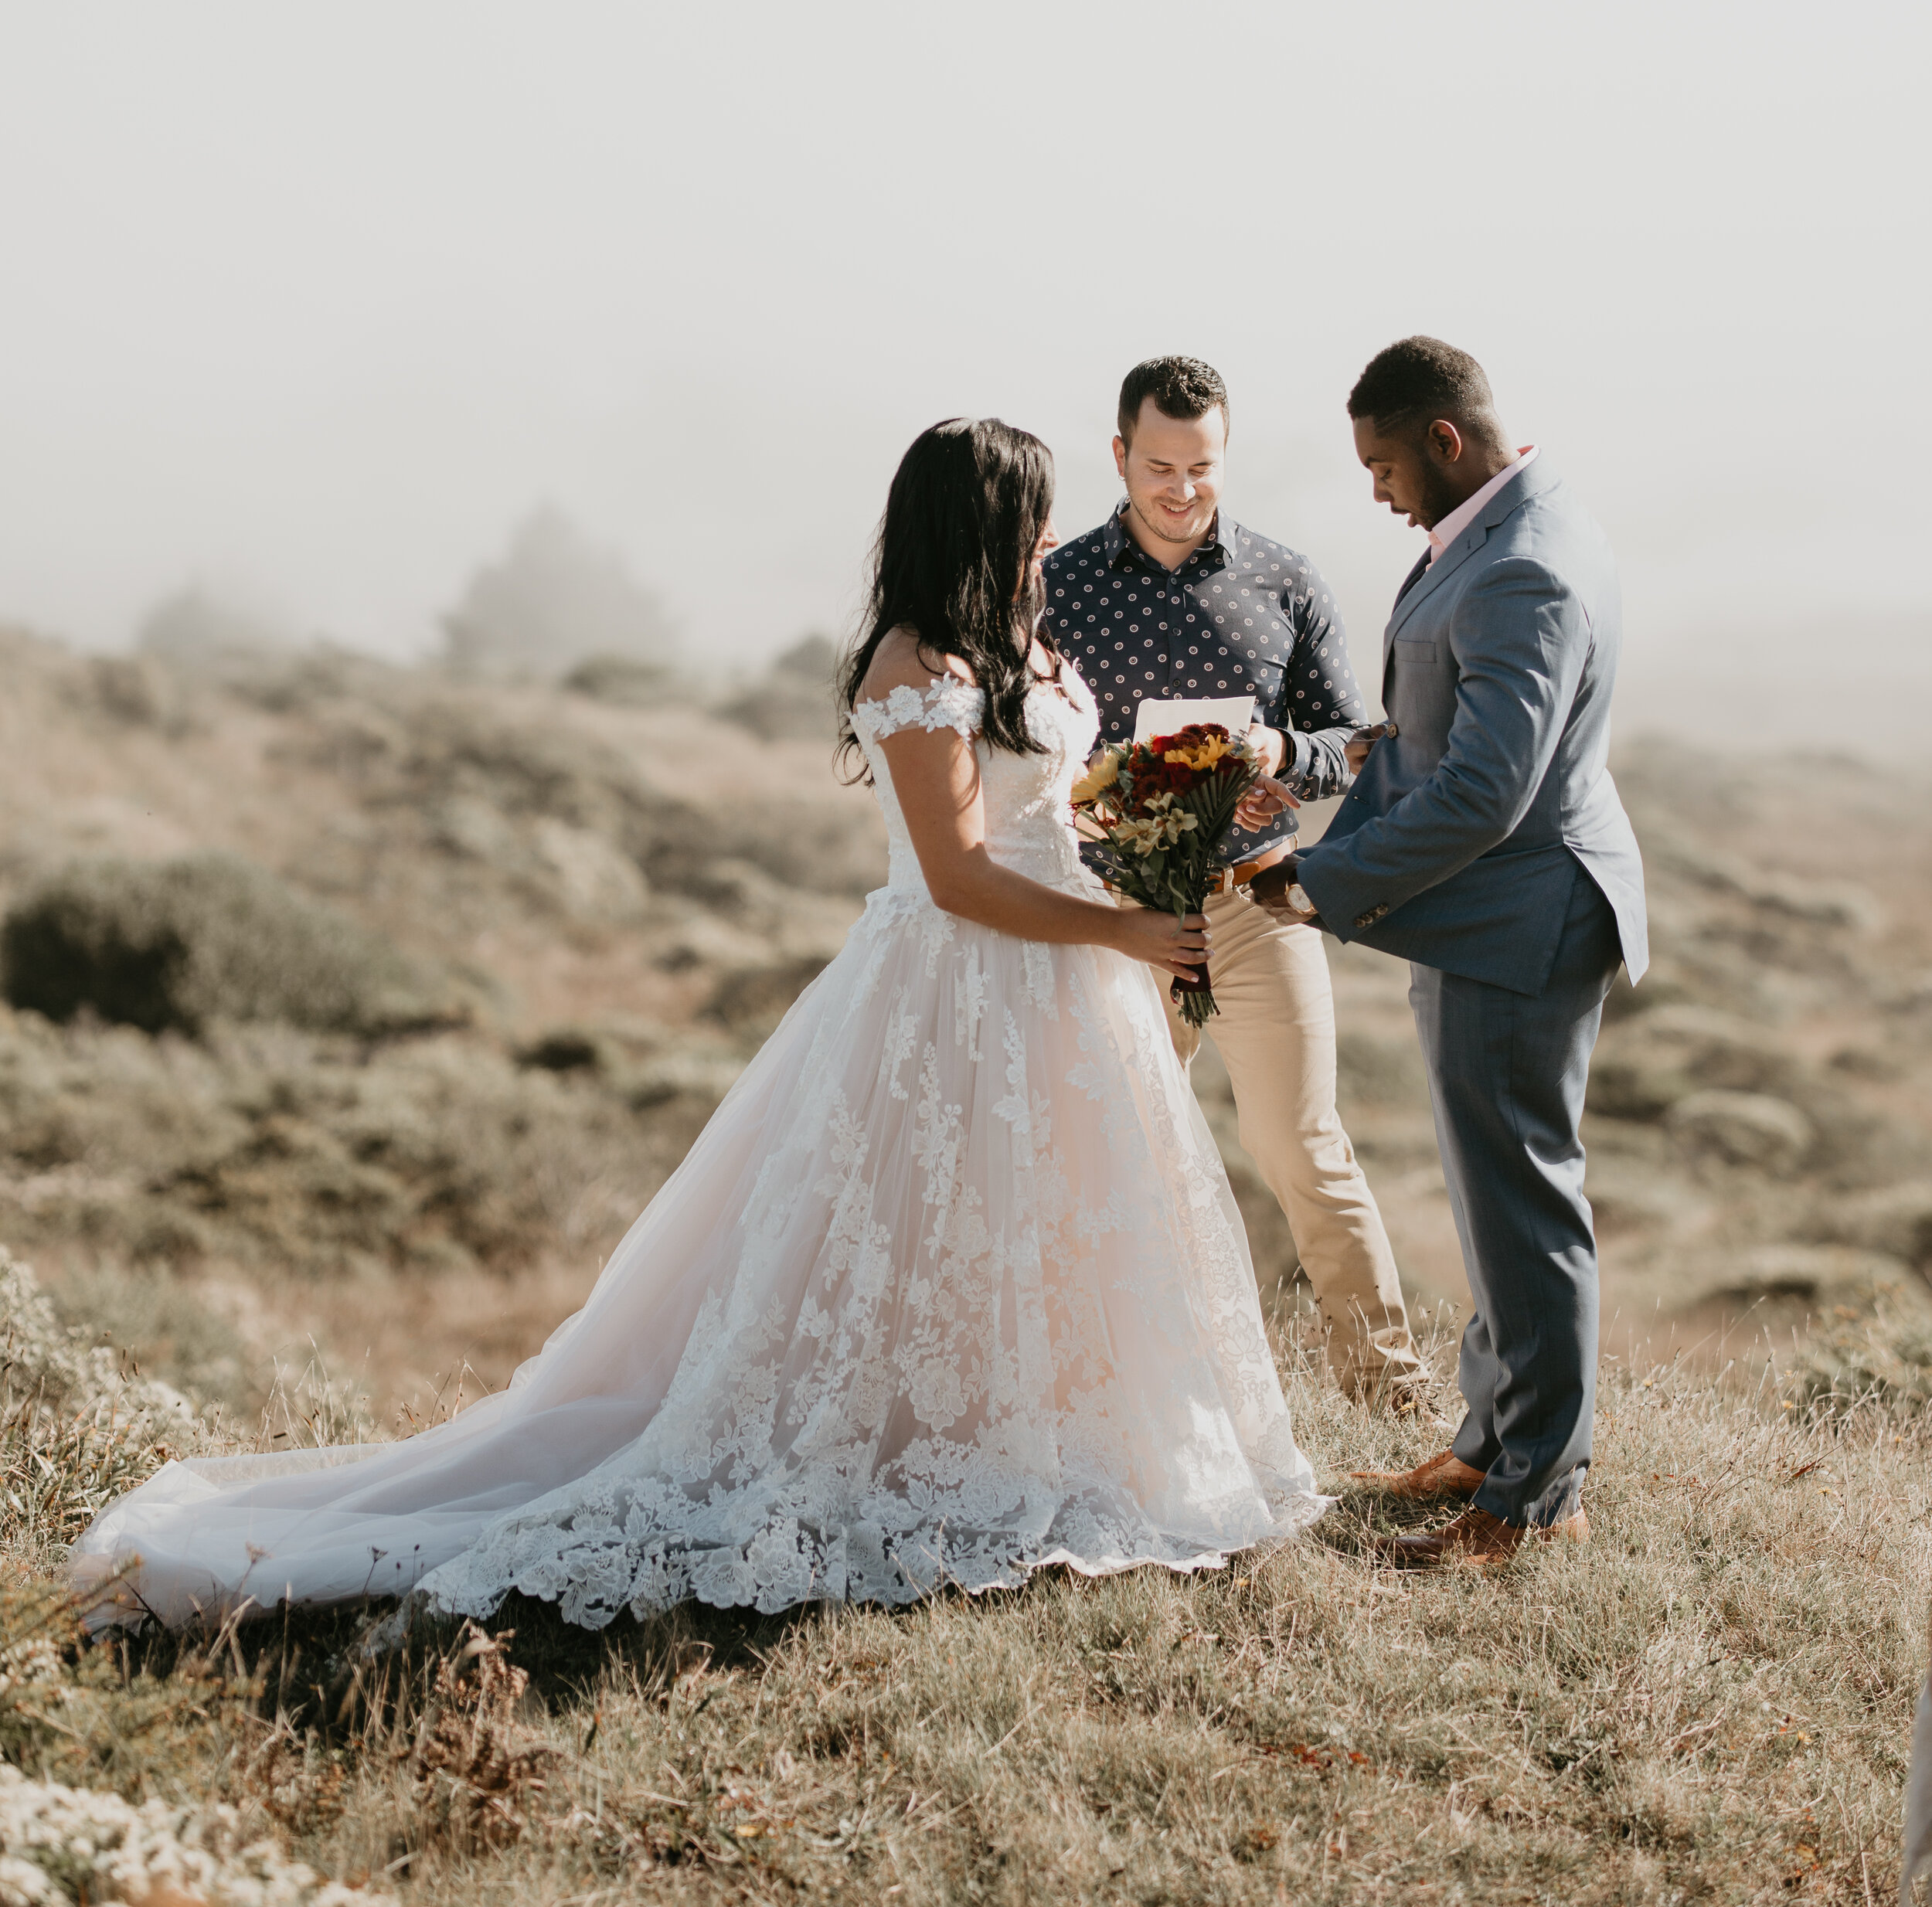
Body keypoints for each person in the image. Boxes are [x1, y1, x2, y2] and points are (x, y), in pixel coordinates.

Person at [74, 418, 1322, 1634]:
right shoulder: (917, 669)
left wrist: (1155, 855)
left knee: (1049, 1217)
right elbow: (956, 875)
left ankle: (1041, 1432)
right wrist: (1119, 933)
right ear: (986, 522)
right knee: (913, 1221)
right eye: (1034, 512)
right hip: (956, 979)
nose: (1054, 533)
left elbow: (1052, 815)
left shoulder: (1023, 650)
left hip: (1066, 979)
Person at [1249, 337, 1648, 1567]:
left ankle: (1534, 1500)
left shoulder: (1523, 567)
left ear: (1445, 441)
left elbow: (1486, 789)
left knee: (1525, 1202)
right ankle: (1491, 1438)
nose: (1373, 488)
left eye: (1381, 464)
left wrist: (1322, 880)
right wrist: (1377, 746)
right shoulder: (1511, 517)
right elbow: (1456, 719)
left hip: (1518, 915)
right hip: (1488, 907)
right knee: (1491, 1194)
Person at [1045, 355, 1430, 1409]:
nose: (1180, 488)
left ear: (1227, 456)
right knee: (1104, 1150)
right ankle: (1104, 1390)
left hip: (1261, 897)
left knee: (1306, 1146)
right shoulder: (1055, 588)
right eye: (1158, 465)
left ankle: (1391, 1394)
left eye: (1201, 466)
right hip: (1114, 911)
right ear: (1120, 456)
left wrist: (1279, 752)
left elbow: (1359, 740)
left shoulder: (1287, 579)